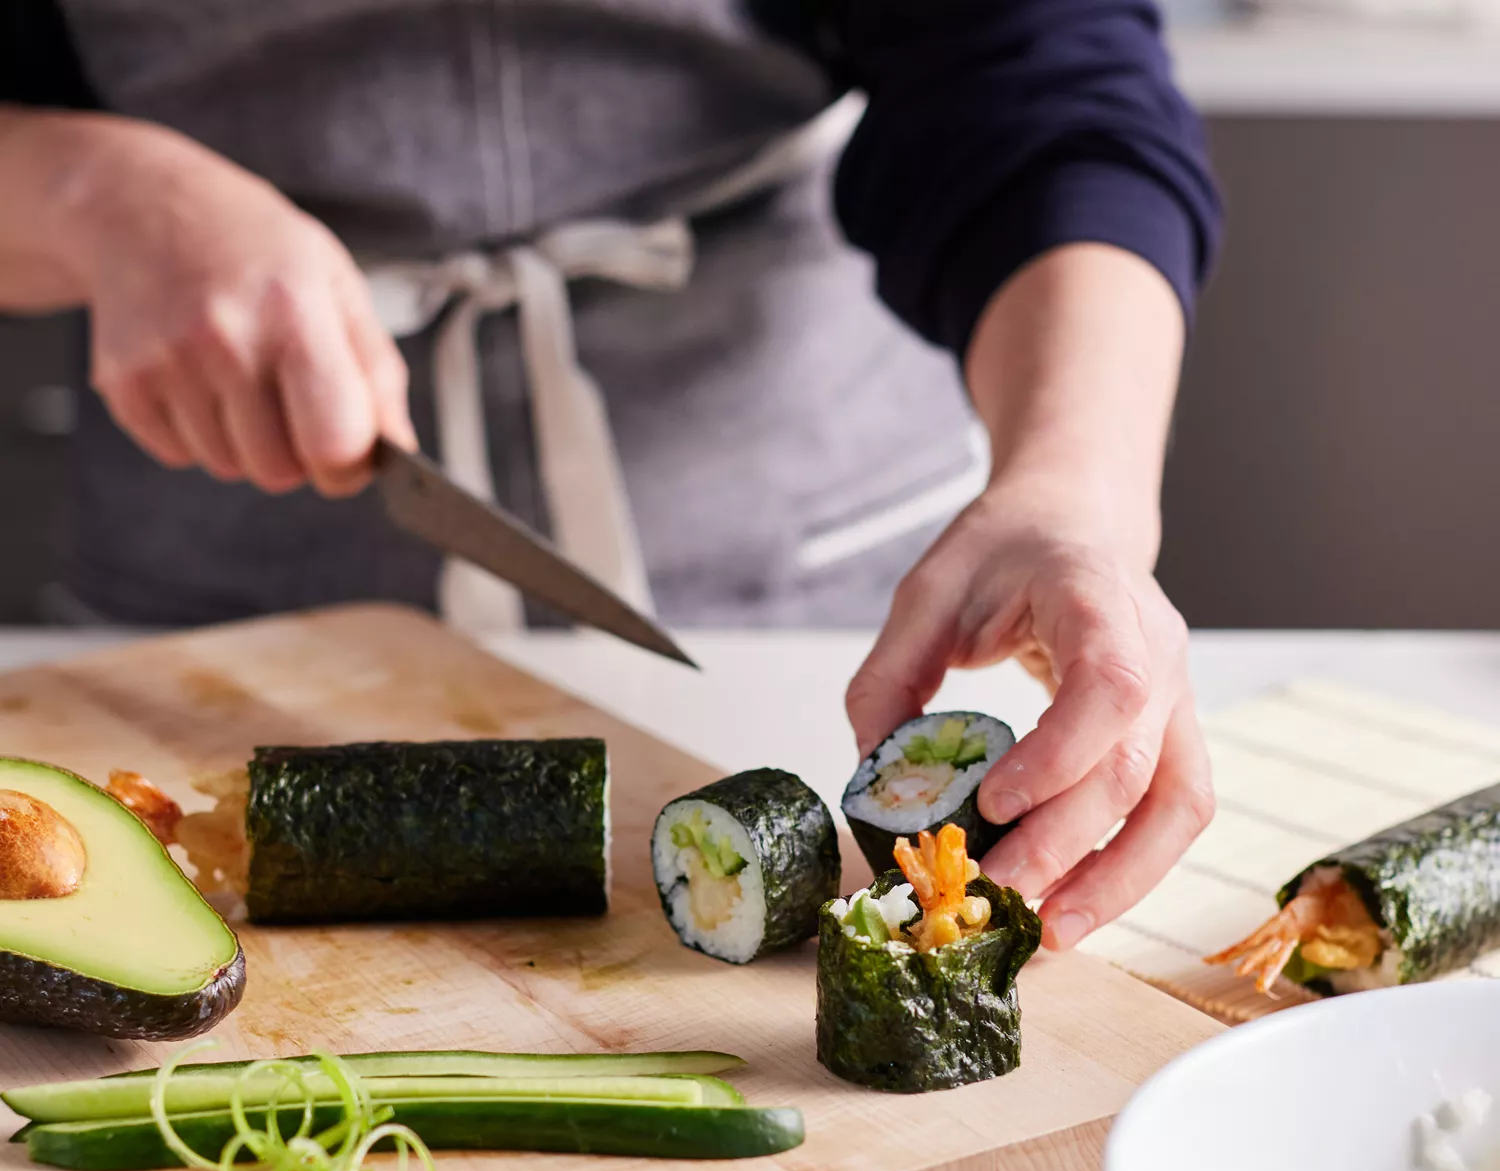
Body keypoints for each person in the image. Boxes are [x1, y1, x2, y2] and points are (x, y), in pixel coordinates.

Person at [0, 0, 1221, 951]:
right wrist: (95, 196)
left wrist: (1080, 493)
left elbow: (1043, 77)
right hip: (211, 611)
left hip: (818, 605)